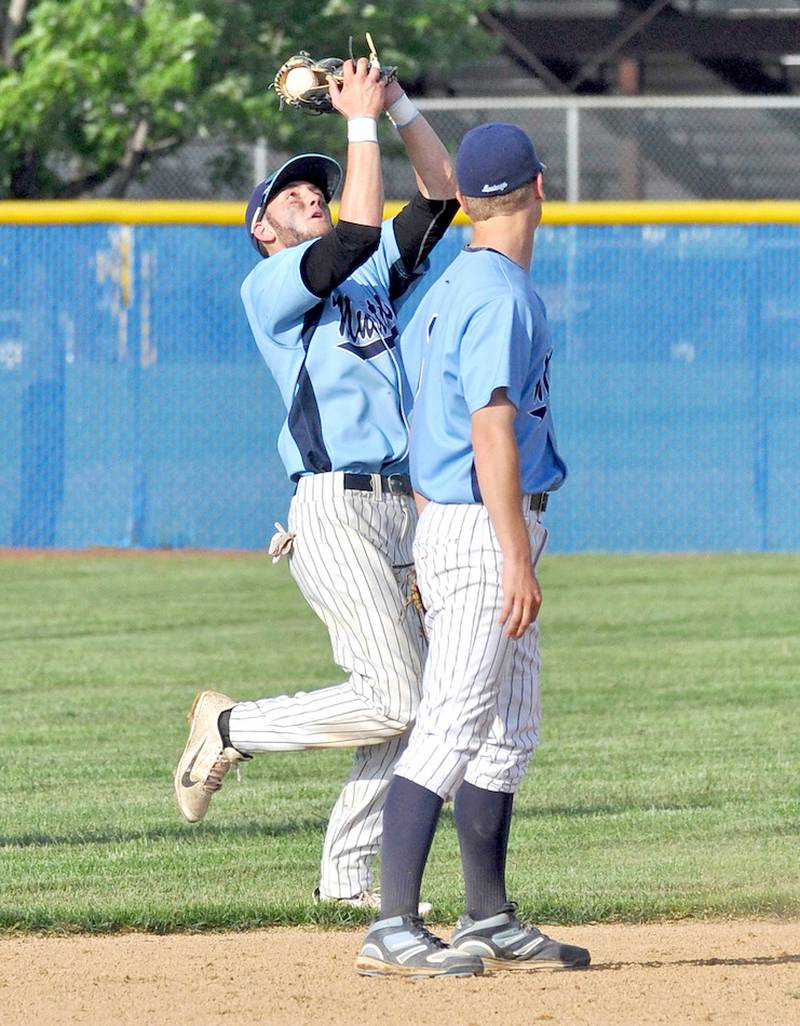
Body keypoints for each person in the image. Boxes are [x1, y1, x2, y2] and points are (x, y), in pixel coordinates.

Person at [173, 54, 459, 912]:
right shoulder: (268, 285)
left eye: (317, 188)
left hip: (401, 509)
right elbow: (356, 236)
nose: (310, 194)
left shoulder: (365, 276)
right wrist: (358, 122)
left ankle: (347, 876)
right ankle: (228, 730)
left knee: (415, 708)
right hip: (331, 509)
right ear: (262, 229)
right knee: (397, 693)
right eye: (290, 195)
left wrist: (397, 100)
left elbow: (442, 196)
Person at [355, 123, 591, 977]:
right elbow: (491, 426)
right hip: (489, 527)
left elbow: (430, 421)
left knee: (508, 726)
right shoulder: (499, 294)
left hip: (465, 520)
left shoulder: (454, 287)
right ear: (539, 189)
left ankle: (487, 916)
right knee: (454, 719)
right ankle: (390, 926)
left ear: (464, 201)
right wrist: (512, 552)